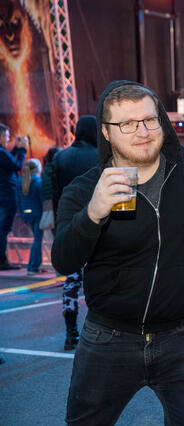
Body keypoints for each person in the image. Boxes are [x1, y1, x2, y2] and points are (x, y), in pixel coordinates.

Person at [52, 80, 184, 426]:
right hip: (108, 337)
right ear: (106, 132)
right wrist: (93, 214)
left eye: (149, 120)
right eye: (127, 124)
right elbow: (63, 259)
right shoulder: (86, 188)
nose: (142, 132)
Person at [52, 115, 100, 351]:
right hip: (97, 223)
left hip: (69, 223)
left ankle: (71, 333)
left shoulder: (60, 157)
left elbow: (56, 195)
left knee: (71, 281)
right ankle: (98, 331)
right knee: (99, 275)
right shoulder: (98, 157)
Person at [0, 122, 27, 270]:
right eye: (7, 136)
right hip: (6, 195)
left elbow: (8, 162)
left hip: (2, 194)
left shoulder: (2, 153)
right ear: (1, 136)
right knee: (3, 229)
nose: (8, 139)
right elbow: (16, 165)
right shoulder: (1, 153)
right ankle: (2, 261)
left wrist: (16, 148)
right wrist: (22, 150)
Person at [17, 158, 44, 275]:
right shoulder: (38, 183)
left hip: (27, 214)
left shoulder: (20, 182)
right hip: (38, 214)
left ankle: (33, 265)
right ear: (38, 168)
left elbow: (19, 201)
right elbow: (42, 202)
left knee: (36, 240)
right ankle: (33, 267)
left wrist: (23, 214)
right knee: (38, 241)